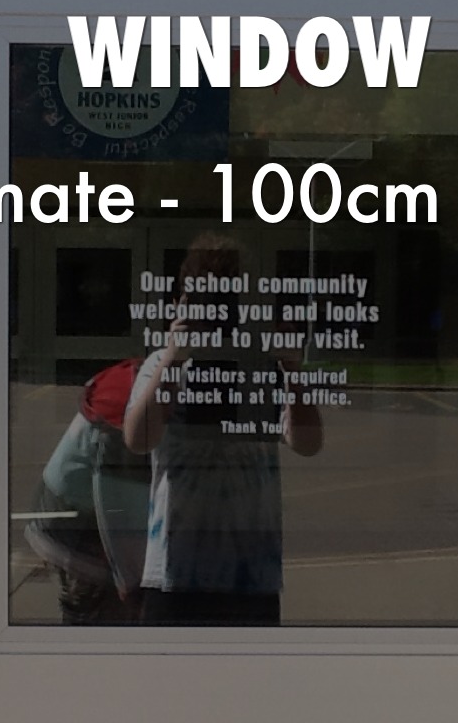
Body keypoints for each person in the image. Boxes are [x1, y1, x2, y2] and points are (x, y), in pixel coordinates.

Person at [124, 233, 323, 626]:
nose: (221, 314)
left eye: (231, 300)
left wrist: (292, 373)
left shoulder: (264, 365)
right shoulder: (164, 364)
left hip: (251, 574)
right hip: (175, 573)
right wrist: (174, 358)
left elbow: (308, 443)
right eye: (208, 300)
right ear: (182, 302)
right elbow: (138, 439)